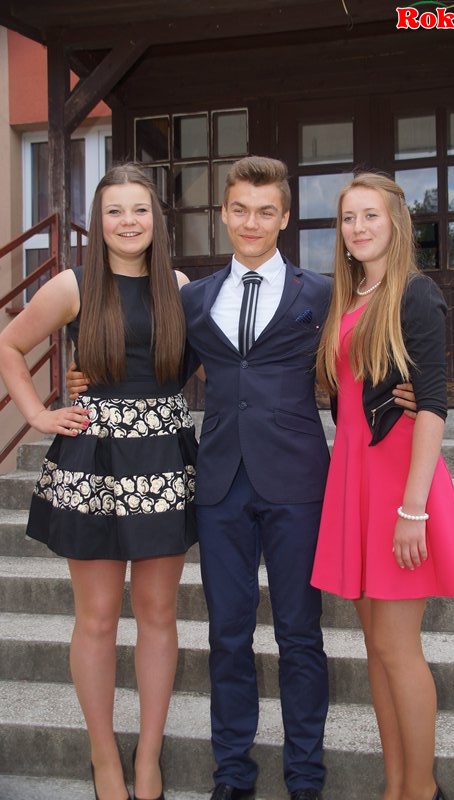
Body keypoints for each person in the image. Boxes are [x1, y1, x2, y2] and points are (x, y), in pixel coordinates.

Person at [66, 156, 417, 800]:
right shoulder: (192, 299)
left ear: (284, 218)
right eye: (240, 210)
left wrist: (412, 391)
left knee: (300, 635)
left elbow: (362, 348)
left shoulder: (322, 293)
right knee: (227, 636)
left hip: (298, 484)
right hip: (219, 484)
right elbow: (155, 366)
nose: (251, 222)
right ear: (224, 215)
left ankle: (305, 776)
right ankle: (233, 773)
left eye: (265, 211)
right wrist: (87, 375)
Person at [0, 163, 198, 800]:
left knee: (159, 615)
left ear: (156, 219)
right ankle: (103, 757)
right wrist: (38, 413)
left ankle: (149, 757)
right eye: (114, 211)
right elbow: (9, 345)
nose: (128, 222)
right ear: (98, 220)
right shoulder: (72, 284)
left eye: (139, 209)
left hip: (164, 460)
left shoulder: (179, 286)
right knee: (97, 618)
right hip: (94, 461)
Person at [310, 172, 454, 800]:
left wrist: (414, 509)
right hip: (353, 476)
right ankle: (395, 786)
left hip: (401, 483)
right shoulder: (347, 297)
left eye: (370, 215)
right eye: (349, 217)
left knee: (398, 647)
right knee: (376, 647)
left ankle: (423, 789)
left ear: (396, 222)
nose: (358, 227)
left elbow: (432, 406)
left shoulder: (415, 294)